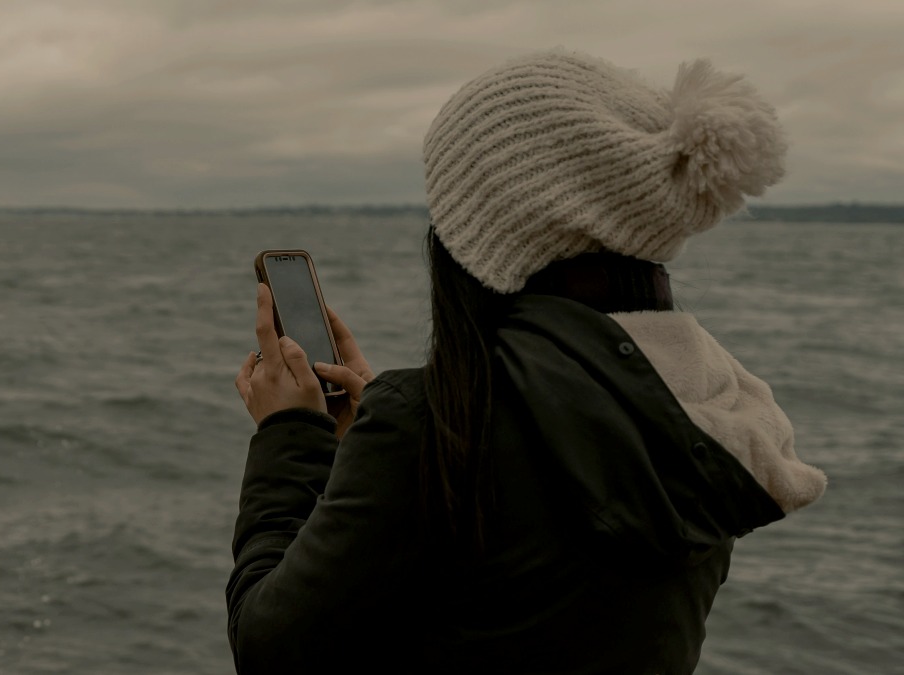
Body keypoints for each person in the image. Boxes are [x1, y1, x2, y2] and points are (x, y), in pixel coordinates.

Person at [227, 49, 827, 675]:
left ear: (482, 233)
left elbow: (268, 650)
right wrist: (375, 449)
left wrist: (292, 436)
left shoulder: (426, 428)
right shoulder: (708, 416)